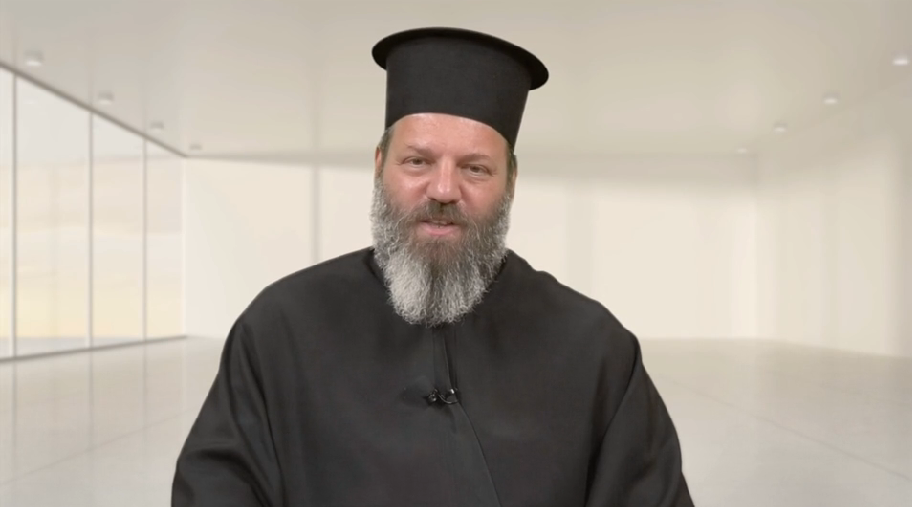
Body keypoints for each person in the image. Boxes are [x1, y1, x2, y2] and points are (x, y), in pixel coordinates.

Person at [172, 26, 694, 507]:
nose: (444, 190)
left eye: (475, 168)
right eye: (418, 161)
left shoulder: (594, 347)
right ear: (380, 166)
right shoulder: (281, 327)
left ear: (510, 184)